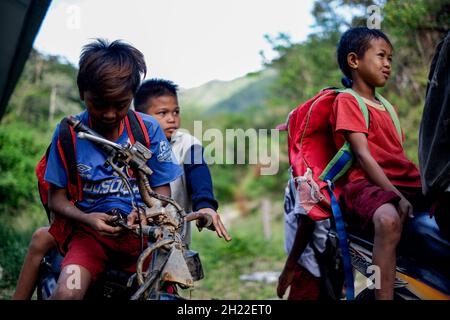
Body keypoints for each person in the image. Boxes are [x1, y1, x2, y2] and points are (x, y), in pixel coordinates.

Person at [14, 39, 183, 300]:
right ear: (83, 93)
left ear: (132, 97)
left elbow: (161, 191)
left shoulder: (147, 130)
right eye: (99, 104)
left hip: (140, 238)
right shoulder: (68, 133)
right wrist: (87, 219)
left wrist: (148, 214)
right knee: (67, 293)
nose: (108, 114)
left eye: (120, 104)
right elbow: (55, 199)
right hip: (88, 238)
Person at [331, 27, 429, 300]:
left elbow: (397, 156)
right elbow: (363, 155)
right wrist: (397, 197)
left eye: (390, 58)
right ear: (354, 61)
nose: (388, 64)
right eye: (381, 56)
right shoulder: (347, 101)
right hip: (365, 183)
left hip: (402, 180)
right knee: (387, 220)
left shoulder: (387, 106)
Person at [133, 78, 231, 244]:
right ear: (141, 117)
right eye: (162, 113)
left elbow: (199, 174)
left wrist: (205, 205)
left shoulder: (189, 145)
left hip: (175, 243)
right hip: (134, 241)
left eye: (176, 112)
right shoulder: (129, 147)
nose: (172, 119)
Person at [277, 173, 331, 300]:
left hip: (310, 263)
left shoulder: (305, 169)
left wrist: (289, 268)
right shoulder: (298, 164)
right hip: (307, 262)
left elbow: (307, 221)